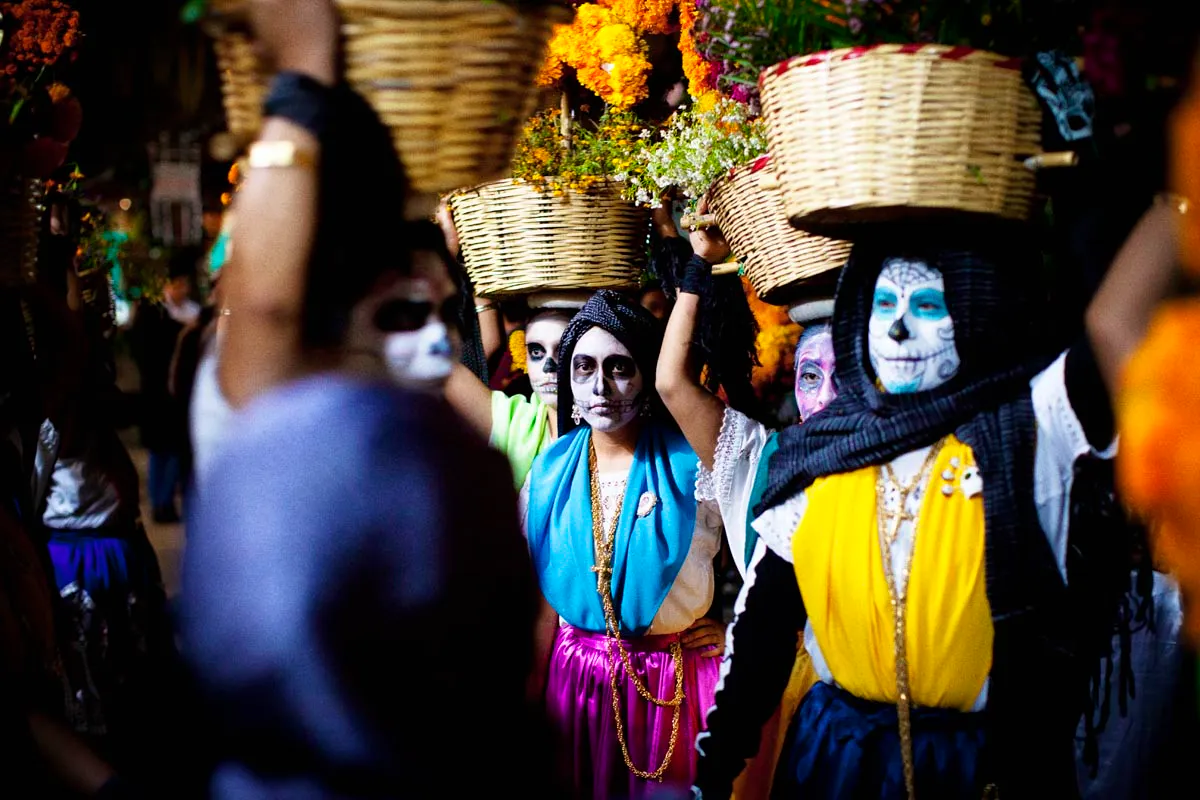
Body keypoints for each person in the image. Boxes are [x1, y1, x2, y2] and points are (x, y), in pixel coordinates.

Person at [182, 1, 560, 796]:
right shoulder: (291, 409)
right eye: (395, 312)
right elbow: (265, 308)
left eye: (436, 312)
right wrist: (303, 78)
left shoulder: (449, 446)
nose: (428, 338)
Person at [693, 223, 1121, 799]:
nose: (897, 328)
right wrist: (713, 773)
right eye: (883, 306)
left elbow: (1117, 328)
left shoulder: (1029, 428)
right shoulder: (820, 455)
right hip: (836, 761)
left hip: (980, 768)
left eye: (926, 306)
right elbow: (760, 638)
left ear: (975, 314)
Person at [656, 221, 840, 800]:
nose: (826, 397)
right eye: (811, 376)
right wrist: (699, 264)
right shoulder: (758, 459)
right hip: (772, 695)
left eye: (846, 376)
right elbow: (671, 382)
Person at [523, 289, 725, 800]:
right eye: (584, 367)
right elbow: (541, 604)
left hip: (671, 680)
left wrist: (731, 627)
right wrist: (528, 701)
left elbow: (762, 549)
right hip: (575, 683)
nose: (600, 387)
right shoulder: (548, 473)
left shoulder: (693, 467)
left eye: (619, 368)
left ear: (648, 373)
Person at [131, 252, 200, 523]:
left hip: (177, 397)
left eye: (183, 284)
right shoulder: (154, 314)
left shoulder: (192, 313)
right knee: (160, 452)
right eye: (176, 284)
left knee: (172, 451)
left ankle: (165, 501)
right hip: (157, 394)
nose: (180, 289)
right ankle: (160, 502)